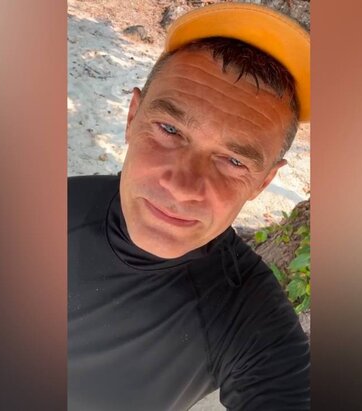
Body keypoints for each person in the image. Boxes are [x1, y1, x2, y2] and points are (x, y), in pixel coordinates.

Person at [68, 3, 310, 410]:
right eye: (170, 129)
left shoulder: (247, 318)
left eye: (234, 161)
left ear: (263, 182)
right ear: (132, 117)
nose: (182, 189)